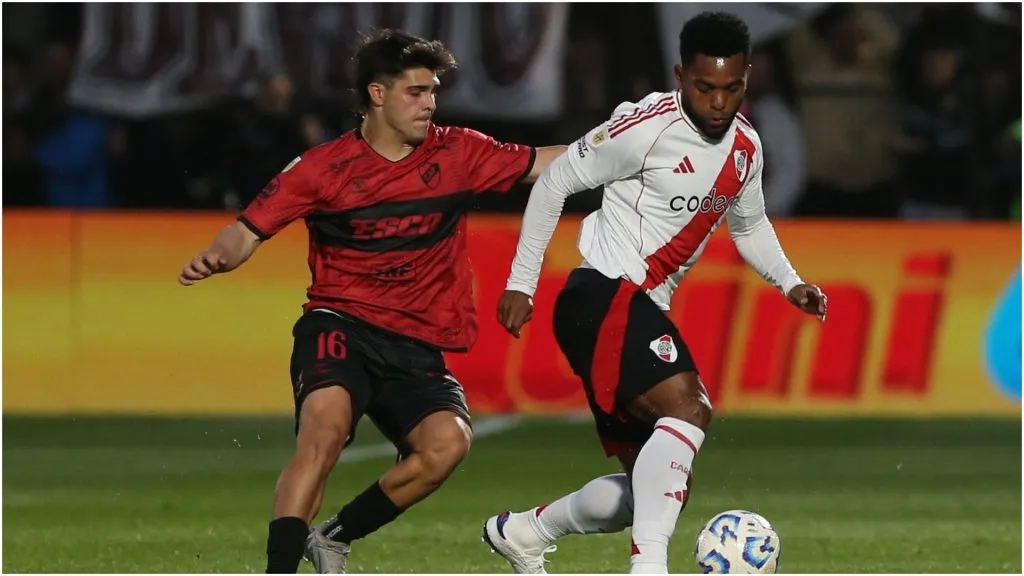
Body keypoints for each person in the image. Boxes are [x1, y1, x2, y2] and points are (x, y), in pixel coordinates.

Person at [177, 29, 565, 574]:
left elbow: (550, 163)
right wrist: (217, 256)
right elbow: (246, 229)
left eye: (433, 91)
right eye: (416, 92)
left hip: (417, 344)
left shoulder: (459, 152)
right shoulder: (323, 167)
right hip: (340, 324)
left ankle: (334, 536)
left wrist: (627, 142)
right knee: (324, 431)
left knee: (445, 447)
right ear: (377, 95)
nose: (430, 103)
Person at [481, 12, 827, 574]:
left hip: (629, 307)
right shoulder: (644, 128)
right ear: (680, 76)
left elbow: (750, 226)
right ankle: (649, 569)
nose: (719, 102)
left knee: (656, 488)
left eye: (732, 88)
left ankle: (525, 531)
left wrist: (789, 282)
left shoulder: (745, 147)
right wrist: (522, 280)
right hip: (603, 294)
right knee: (689, 406)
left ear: (746, 79)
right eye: (705, 87)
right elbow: (555, 181)